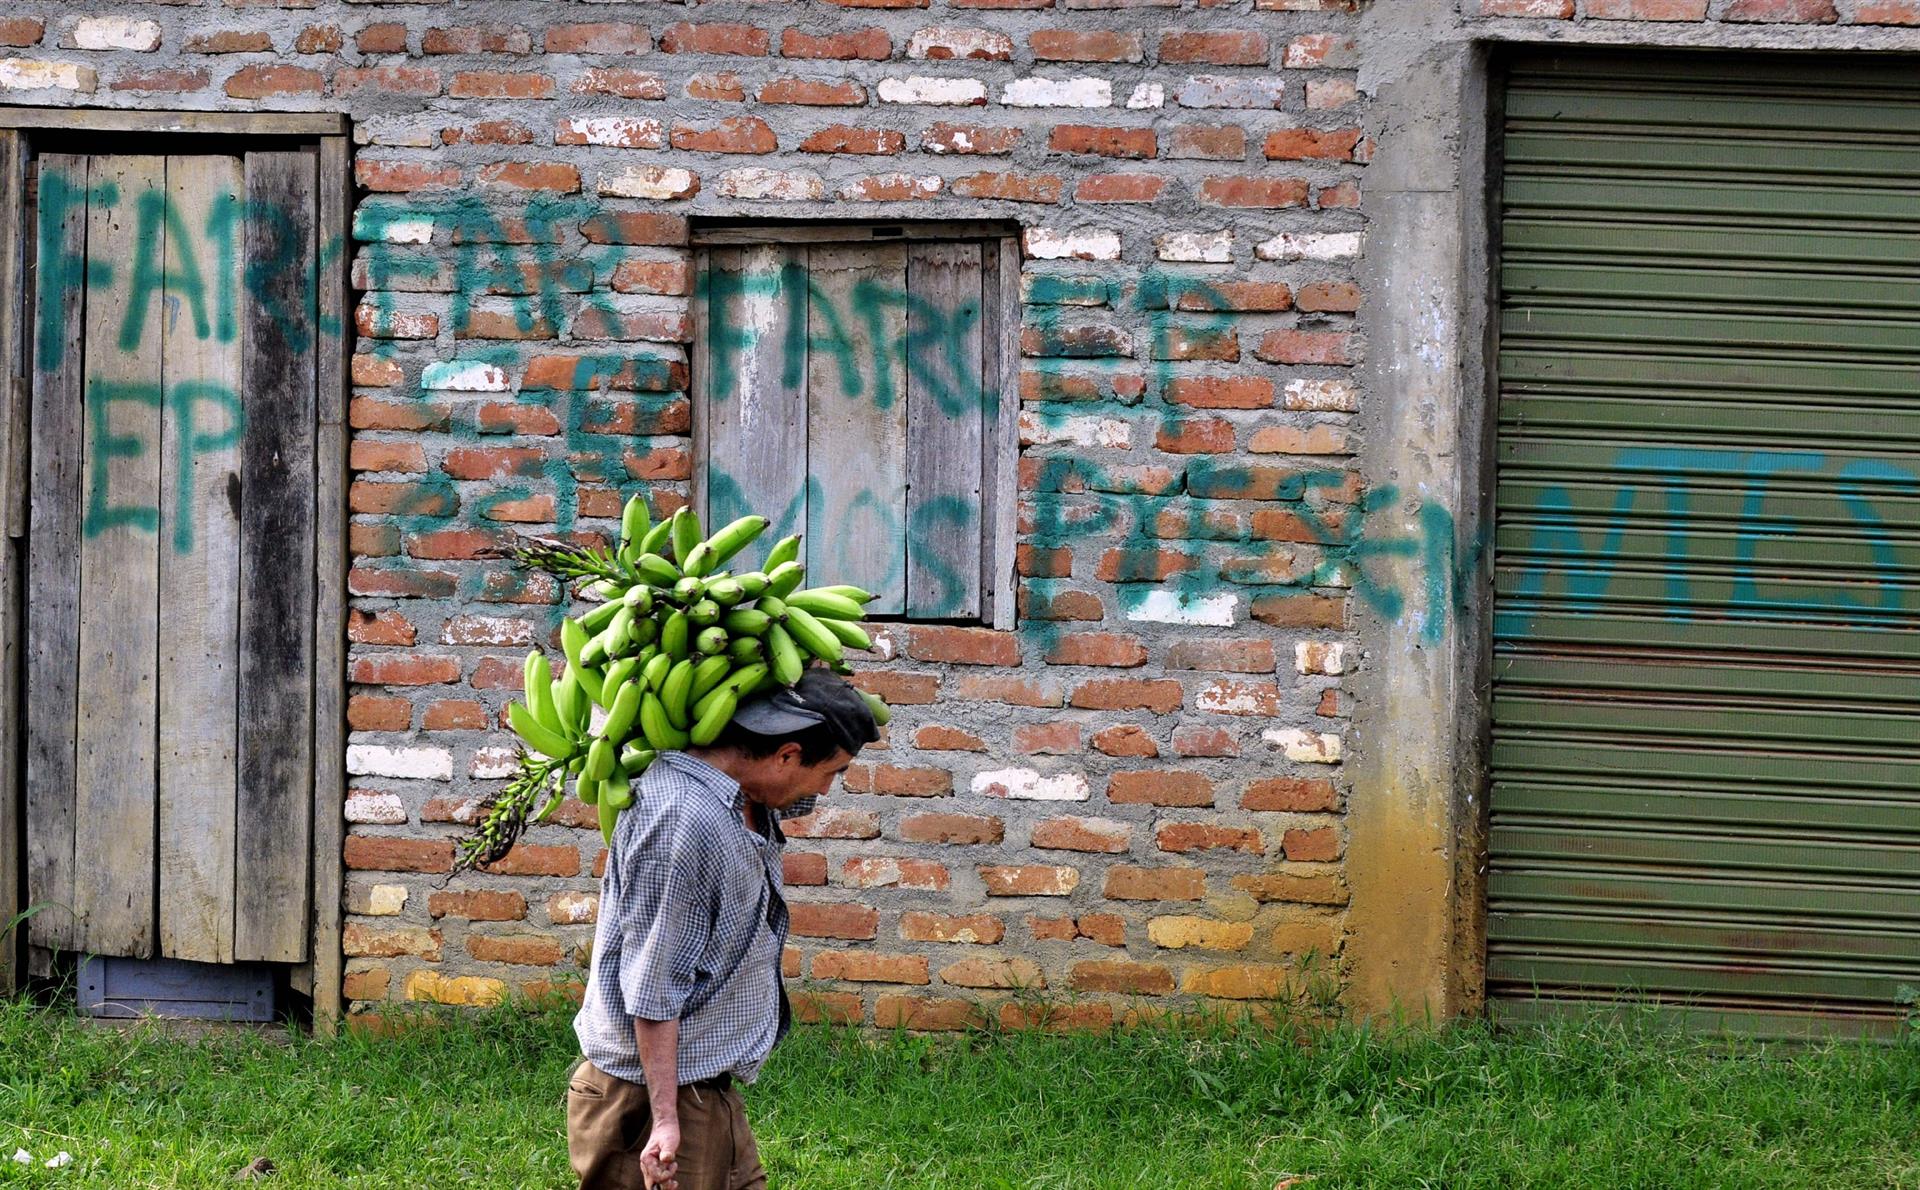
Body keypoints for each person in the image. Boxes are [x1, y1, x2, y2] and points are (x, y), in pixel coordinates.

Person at [566, 668, 881, 1190]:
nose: (826, 790)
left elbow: (787, 785)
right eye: (833, 772)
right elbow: (653, 986)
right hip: (649, 1099)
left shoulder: (743, 795)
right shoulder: (680, 822)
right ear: (786, 755)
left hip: (706, 1088)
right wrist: (666, 1119)